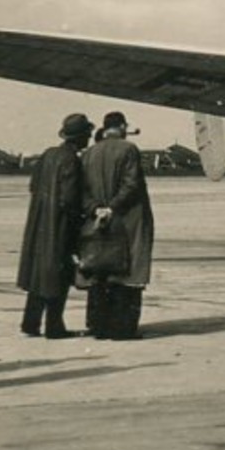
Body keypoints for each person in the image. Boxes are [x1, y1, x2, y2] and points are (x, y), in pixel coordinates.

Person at [80, 111, 154, 339]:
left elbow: (82, 190)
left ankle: (98, 327)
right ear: (122, 126)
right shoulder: (128, 149)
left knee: (100, 272)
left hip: (98, 221)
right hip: (127, 220)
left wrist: (97, 209)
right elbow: (131, 184)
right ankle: (123, 329)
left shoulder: (89, 153)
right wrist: (113, 207)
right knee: (128, 273)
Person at [17, 113, 92, 338]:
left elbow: (33, 186)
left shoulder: (48, 155)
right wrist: (79, 223)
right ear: (79, 137)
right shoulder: (72, 160)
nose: (88, 138)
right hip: (59, 225)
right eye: (86, 134)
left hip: (39, 222)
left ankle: (30, 323)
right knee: (59, 275)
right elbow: (69, 199)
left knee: (39, 274)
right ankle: (54, 326)